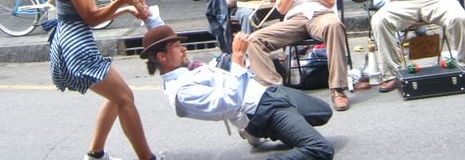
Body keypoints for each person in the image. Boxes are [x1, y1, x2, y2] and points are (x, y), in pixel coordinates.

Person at [141, 25, 334, 159]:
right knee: (320, 149)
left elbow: (160, 36)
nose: (183, 49)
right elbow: (230, 100)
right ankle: (264, 128)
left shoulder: (178, 68)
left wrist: (147, 16)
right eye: (177, 47)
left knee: (323, 112)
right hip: (263, 111)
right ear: (162, 57)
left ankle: (276, 130)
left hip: (270, 92)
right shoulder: (182, 93)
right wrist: (238, 58)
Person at [47, 0, 157, 160]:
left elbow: (95, 13)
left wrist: (126, 7)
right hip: (76, 48)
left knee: (117, 97)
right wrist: (121, 0)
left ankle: (96, 155)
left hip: (79, 44)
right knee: (124, 96)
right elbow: (91, 18)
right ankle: (147, 157)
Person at [247, 0, 351, 112]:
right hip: (295, 19)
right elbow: (281, 9)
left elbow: (329, 1)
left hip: (321, 14)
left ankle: (338, 89)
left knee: (334, 25)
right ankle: (276, 91)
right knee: (254, 40)